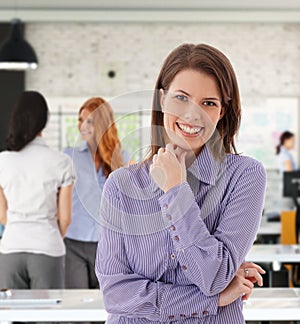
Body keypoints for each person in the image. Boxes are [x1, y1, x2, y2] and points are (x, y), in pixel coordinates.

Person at [95, 43, 267, 323]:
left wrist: (175, 189)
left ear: (221, 112)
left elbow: (212, 276)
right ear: (162, 100)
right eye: (181, 98)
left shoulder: (244, 176)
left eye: (208, 103)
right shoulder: (121, 184)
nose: (192, 115)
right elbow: (115, 295)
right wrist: (213, 300)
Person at [0, 91, 73, 289]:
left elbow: (2, 215)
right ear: (44, 121)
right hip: (47, 247)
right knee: (47, 316)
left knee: (11, 317)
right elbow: (65, 219)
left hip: (11, 246)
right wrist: (48, 236)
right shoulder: (62, 162)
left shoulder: (3, 161)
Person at [63, 97, 130, 290]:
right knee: (77, 310)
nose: (82, 126)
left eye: (89, 121)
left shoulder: (122, 158)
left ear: (101, 123)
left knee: (105, 308)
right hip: (73, 243)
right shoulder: (69, 155)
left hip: (108, 246)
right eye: (80, 119)